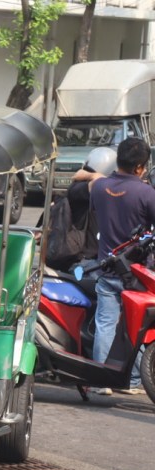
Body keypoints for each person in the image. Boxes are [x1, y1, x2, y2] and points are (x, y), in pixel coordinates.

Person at [89, 137, 155, 394]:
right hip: (138, 274)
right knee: (141, 327)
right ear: (140, 167)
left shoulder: (99, 187)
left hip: (106, 269)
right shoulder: (147, 194)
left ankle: (100, 380)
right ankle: (133, 381)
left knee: (105, 324)